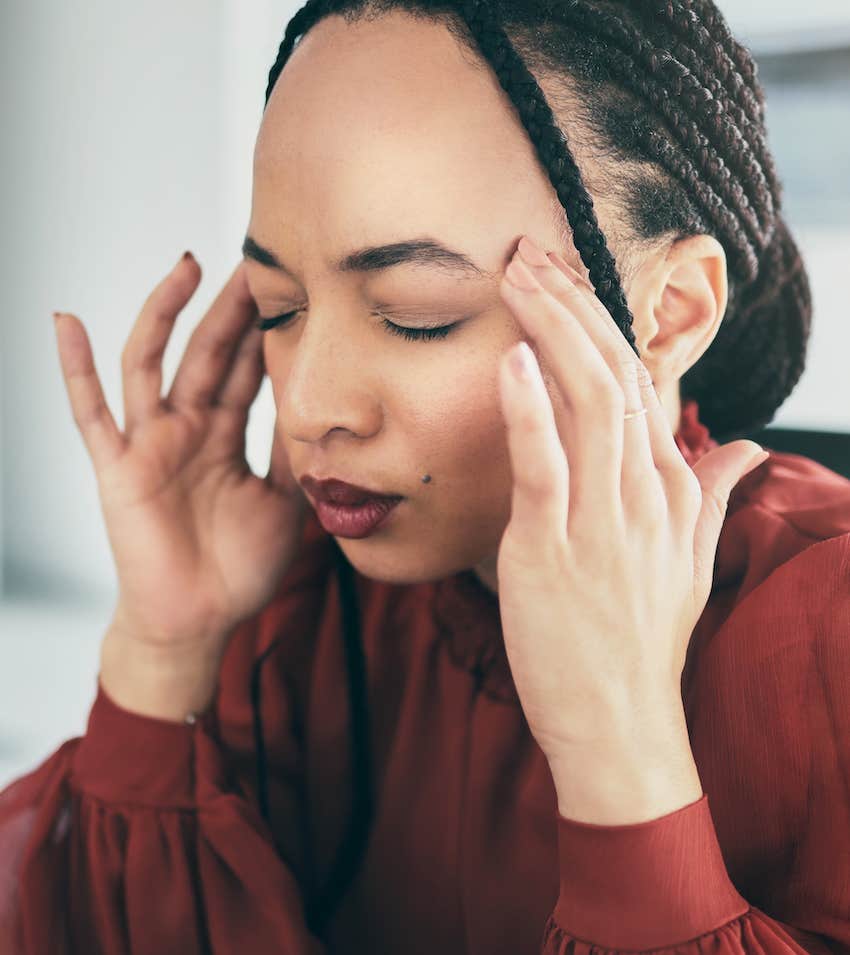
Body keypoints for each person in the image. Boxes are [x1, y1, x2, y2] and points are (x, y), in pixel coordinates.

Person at [1, 1, 848, 952]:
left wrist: (622, 750)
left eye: (416, 316)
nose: (311, 404)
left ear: (672, 312)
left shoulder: (829, 628)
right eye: (280, 307)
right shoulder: (294, 597)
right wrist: (163, 650)